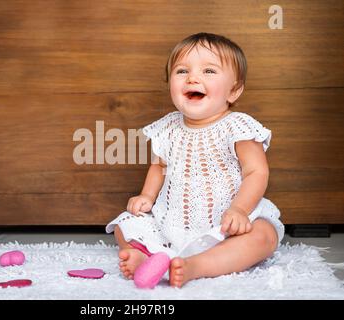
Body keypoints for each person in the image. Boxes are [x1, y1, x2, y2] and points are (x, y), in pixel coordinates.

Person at [106, 32, 285, 288]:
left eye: (209, 71)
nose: (192, 78)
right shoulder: (168, 127)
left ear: (233, 90)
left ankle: (196, 266)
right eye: (181, 71)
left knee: (264, 236)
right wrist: (146, 196)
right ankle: (145, 256)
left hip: (226, 224)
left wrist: (240, 210)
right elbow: (159, 166)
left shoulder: (237, 127)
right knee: (126, 224)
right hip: (172, 221)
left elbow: (256, 172)